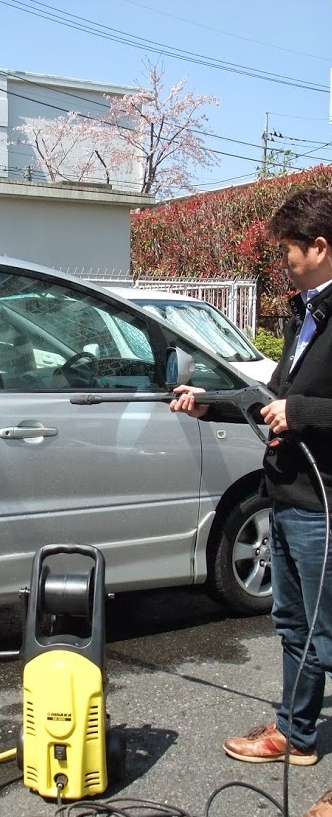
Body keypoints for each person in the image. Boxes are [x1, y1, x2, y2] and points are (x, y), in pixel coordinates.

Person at [171, 186, 332, 817]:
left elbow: (302, 406)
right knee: (293, 627)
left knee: (329, 637)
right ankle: (295, 737)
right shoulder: (305, 312)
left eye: (289, 251)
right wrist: (212, 401)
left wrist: (303, 411)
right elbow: (279, 395)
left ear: (320, 247)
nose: (282, 262)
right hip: (288, 494)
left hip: (325, 505)